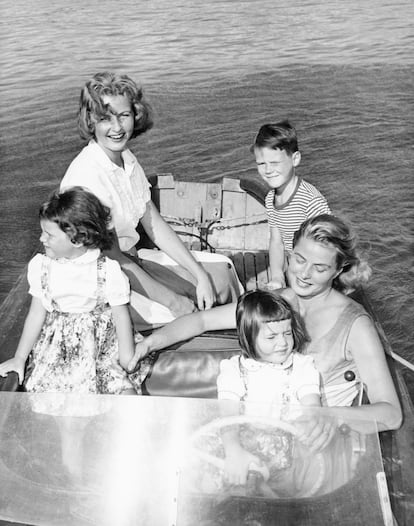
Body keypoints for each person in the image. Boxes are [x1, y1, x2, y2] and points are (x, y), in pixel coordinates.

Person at [128, 214, 402, 433]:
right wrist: (150, 343)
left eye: (319, 268)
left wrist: (329, 417)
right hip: (259, 431)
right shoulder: (277, 301)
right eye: (299, 259)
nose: (304, 274)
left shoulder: (355, 325)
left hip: (311, 450)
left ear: (339, 270)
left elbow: (390, 413)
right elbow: (201, 320)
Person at [60, 72, 242, 330]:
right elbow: (110, 260)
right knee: (196, 309)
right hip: (101, 286)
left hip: (131, 263)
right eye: (105, 118)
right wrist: (173, 301)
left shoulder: (126, 159)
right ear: (91, 120)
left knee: (220, 279)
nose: (116, 128)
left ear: (135, 114)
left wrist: (199, 273)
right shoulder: (86, 177)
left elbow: (154, 224)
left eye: (123, 115)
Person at [0, 187, 137, 397]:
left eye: (49, 234)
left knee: (124, 393)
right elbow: (37, 313)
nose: (41, 239)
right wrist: (19, 357)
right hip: (58, 351)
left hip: (100, 349)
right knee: (56, 397)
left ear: (78, 239)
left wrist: (127, 358)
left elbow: (121, 316)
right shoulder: (42, 267)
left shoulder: (107, 270)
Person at [217, 290, 321, 485]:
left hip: (288, 454)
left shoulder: (302, 366)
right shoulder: (233, 370)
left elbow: (312, 407)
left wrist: (310, 420)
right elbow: (227, 415)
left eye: (287, 333)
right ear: (248, 336)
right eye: (271, 337)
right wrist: (234, 450)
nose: (282, 343)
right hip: (240, 445)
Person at [252, 121, 331, 289]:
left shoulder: (310, 202)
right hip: (294, 270)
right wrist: (277, 276)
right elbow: (276, 242)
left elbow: (328, 249)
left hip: (312, 278)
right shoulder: (270, 199)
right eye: (261, 164)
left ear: (295, 159)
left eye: (274, 163)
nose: (267, 170)